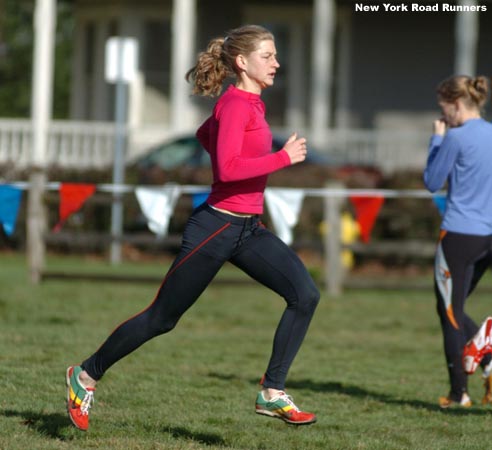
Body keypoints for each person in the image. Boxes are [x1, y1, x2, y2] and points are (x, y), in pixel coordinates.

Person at [66, 24, 320, 431]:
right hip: (216, 228)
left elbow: (207, 135)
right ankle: (85, 375)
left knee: (305, 294)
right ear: (242, 62)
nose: (276, 63)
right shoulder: (236, 104)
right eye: (268, 56)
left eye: (275, 55)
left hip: (248, 230)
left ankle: (271, 393)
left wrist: (261, 161)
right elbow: (228, 167)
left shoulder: (251, 105)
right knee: (162, 319)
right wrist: (282, 159)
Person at [423, 74, 492, 408]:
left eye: (443, 108)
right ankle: (490, 361)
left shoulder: (456, 137)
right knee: (453, 306)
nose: (443, 116)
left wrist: (436, 141)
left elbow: (432, 182)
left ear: (455, 104)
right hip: (488, 237)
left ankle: (458, 393)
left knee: (450, 313)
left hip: (459, 236)